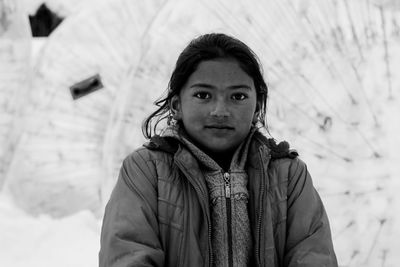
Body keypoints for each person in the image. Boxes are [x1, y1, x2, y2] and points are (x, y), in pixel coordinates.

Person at [99, 33, 338, 267]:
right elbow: (127, 255)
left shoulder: (287, 176)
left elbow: (313, 256)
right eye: (203, 95)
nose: (220, 111)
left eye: (238, 96)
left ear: (257, 107)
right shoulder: (147, 171)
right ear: (177, 105)